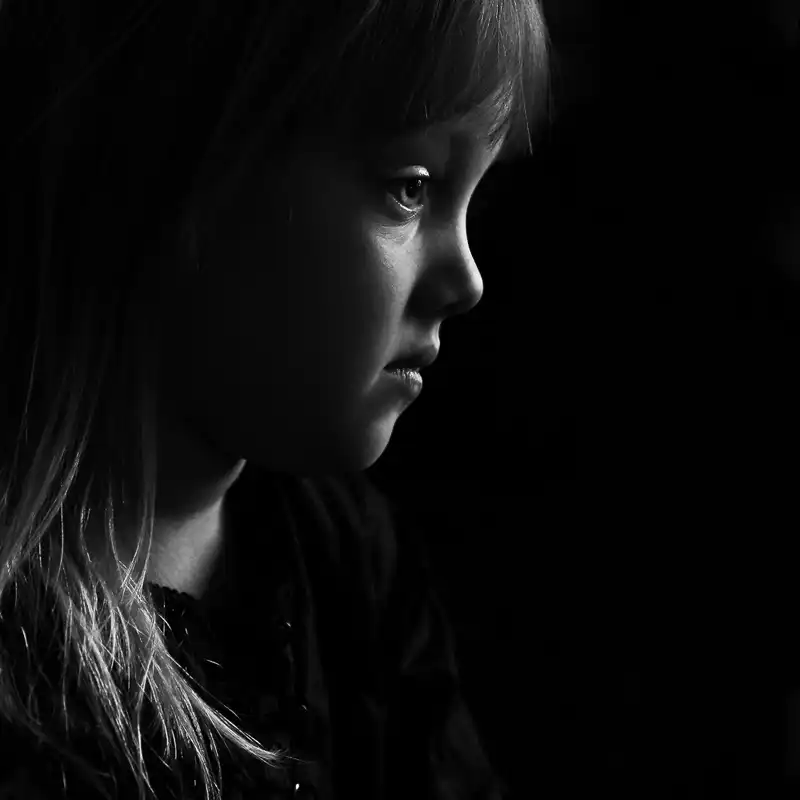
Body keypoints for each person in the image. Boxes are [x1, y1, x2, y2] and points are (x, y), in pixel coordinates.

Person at [0, 0, 551, 798]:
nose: (468, 281)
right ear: (184, 168)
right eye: (411, 189)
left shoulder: (353, 567)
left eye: (474, 198)